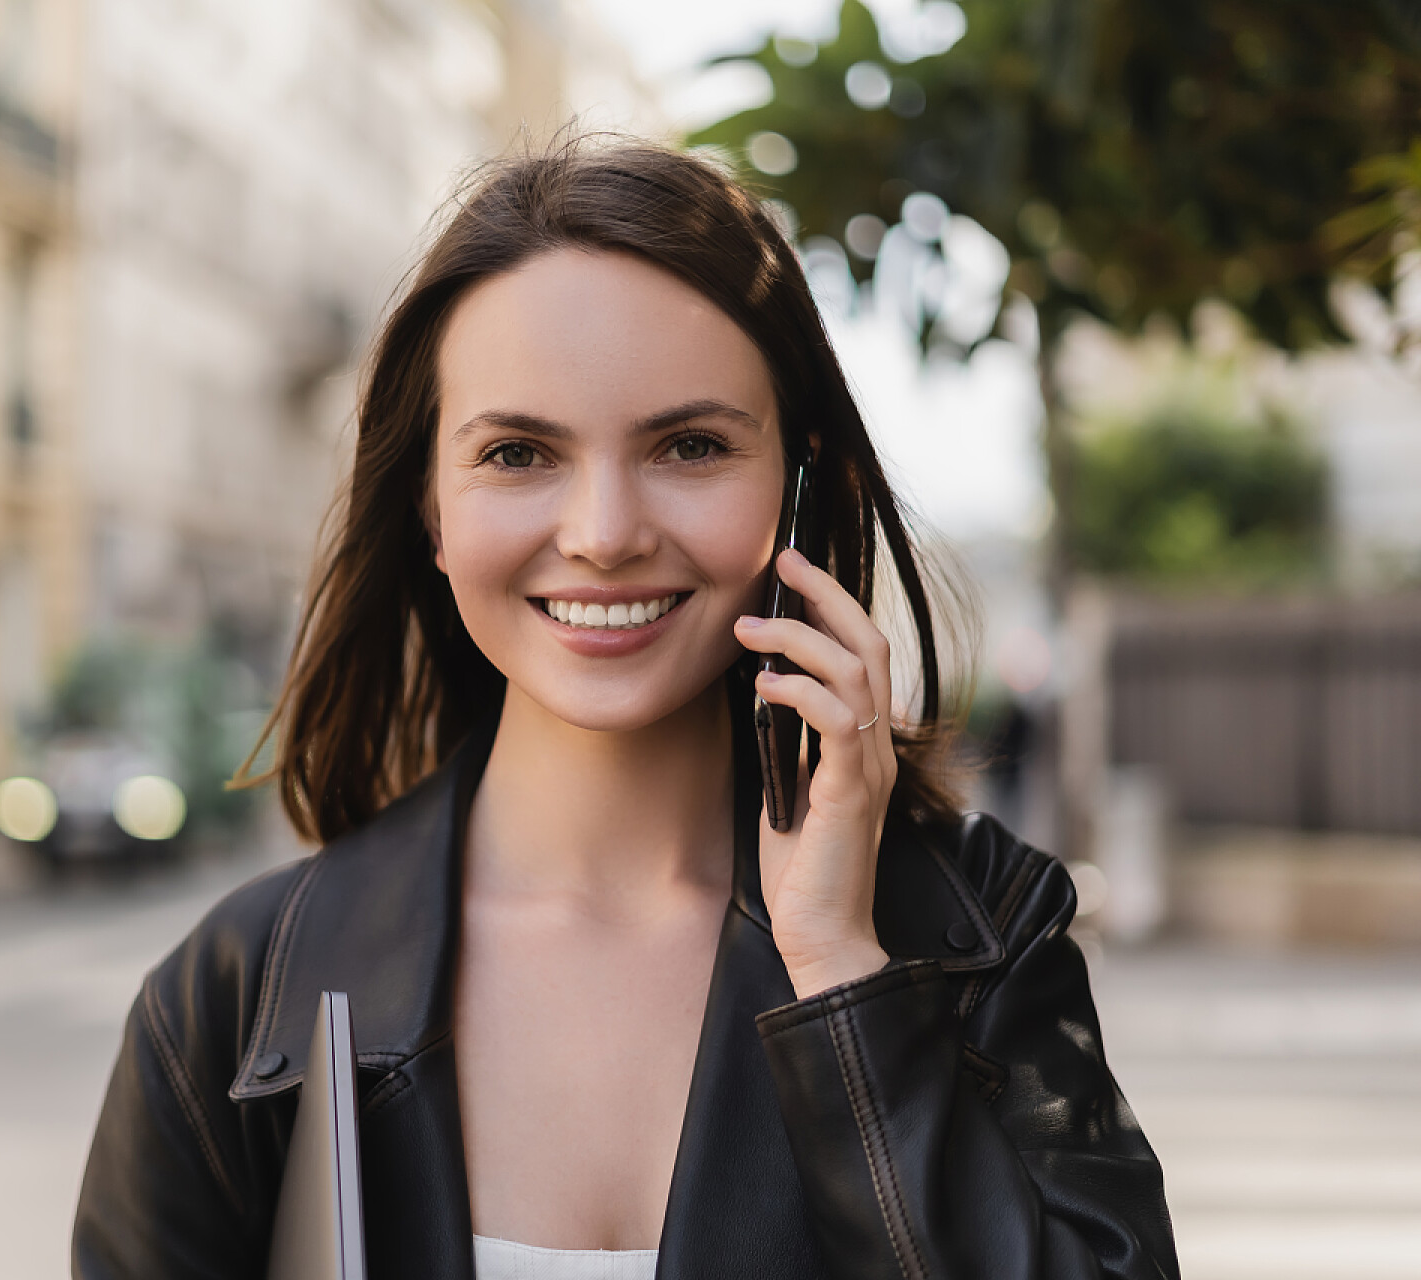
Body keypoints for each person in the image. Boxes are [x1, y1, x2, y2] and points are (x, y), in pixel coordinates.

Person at [72, 139, 1177, 1280]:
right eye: (517, 452)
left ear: (800, 484)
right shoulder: (233, 1001)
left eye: (690, 445)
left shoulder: (983, 935)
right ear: (432, 509)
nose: (604, 530)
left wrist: (847, 976)